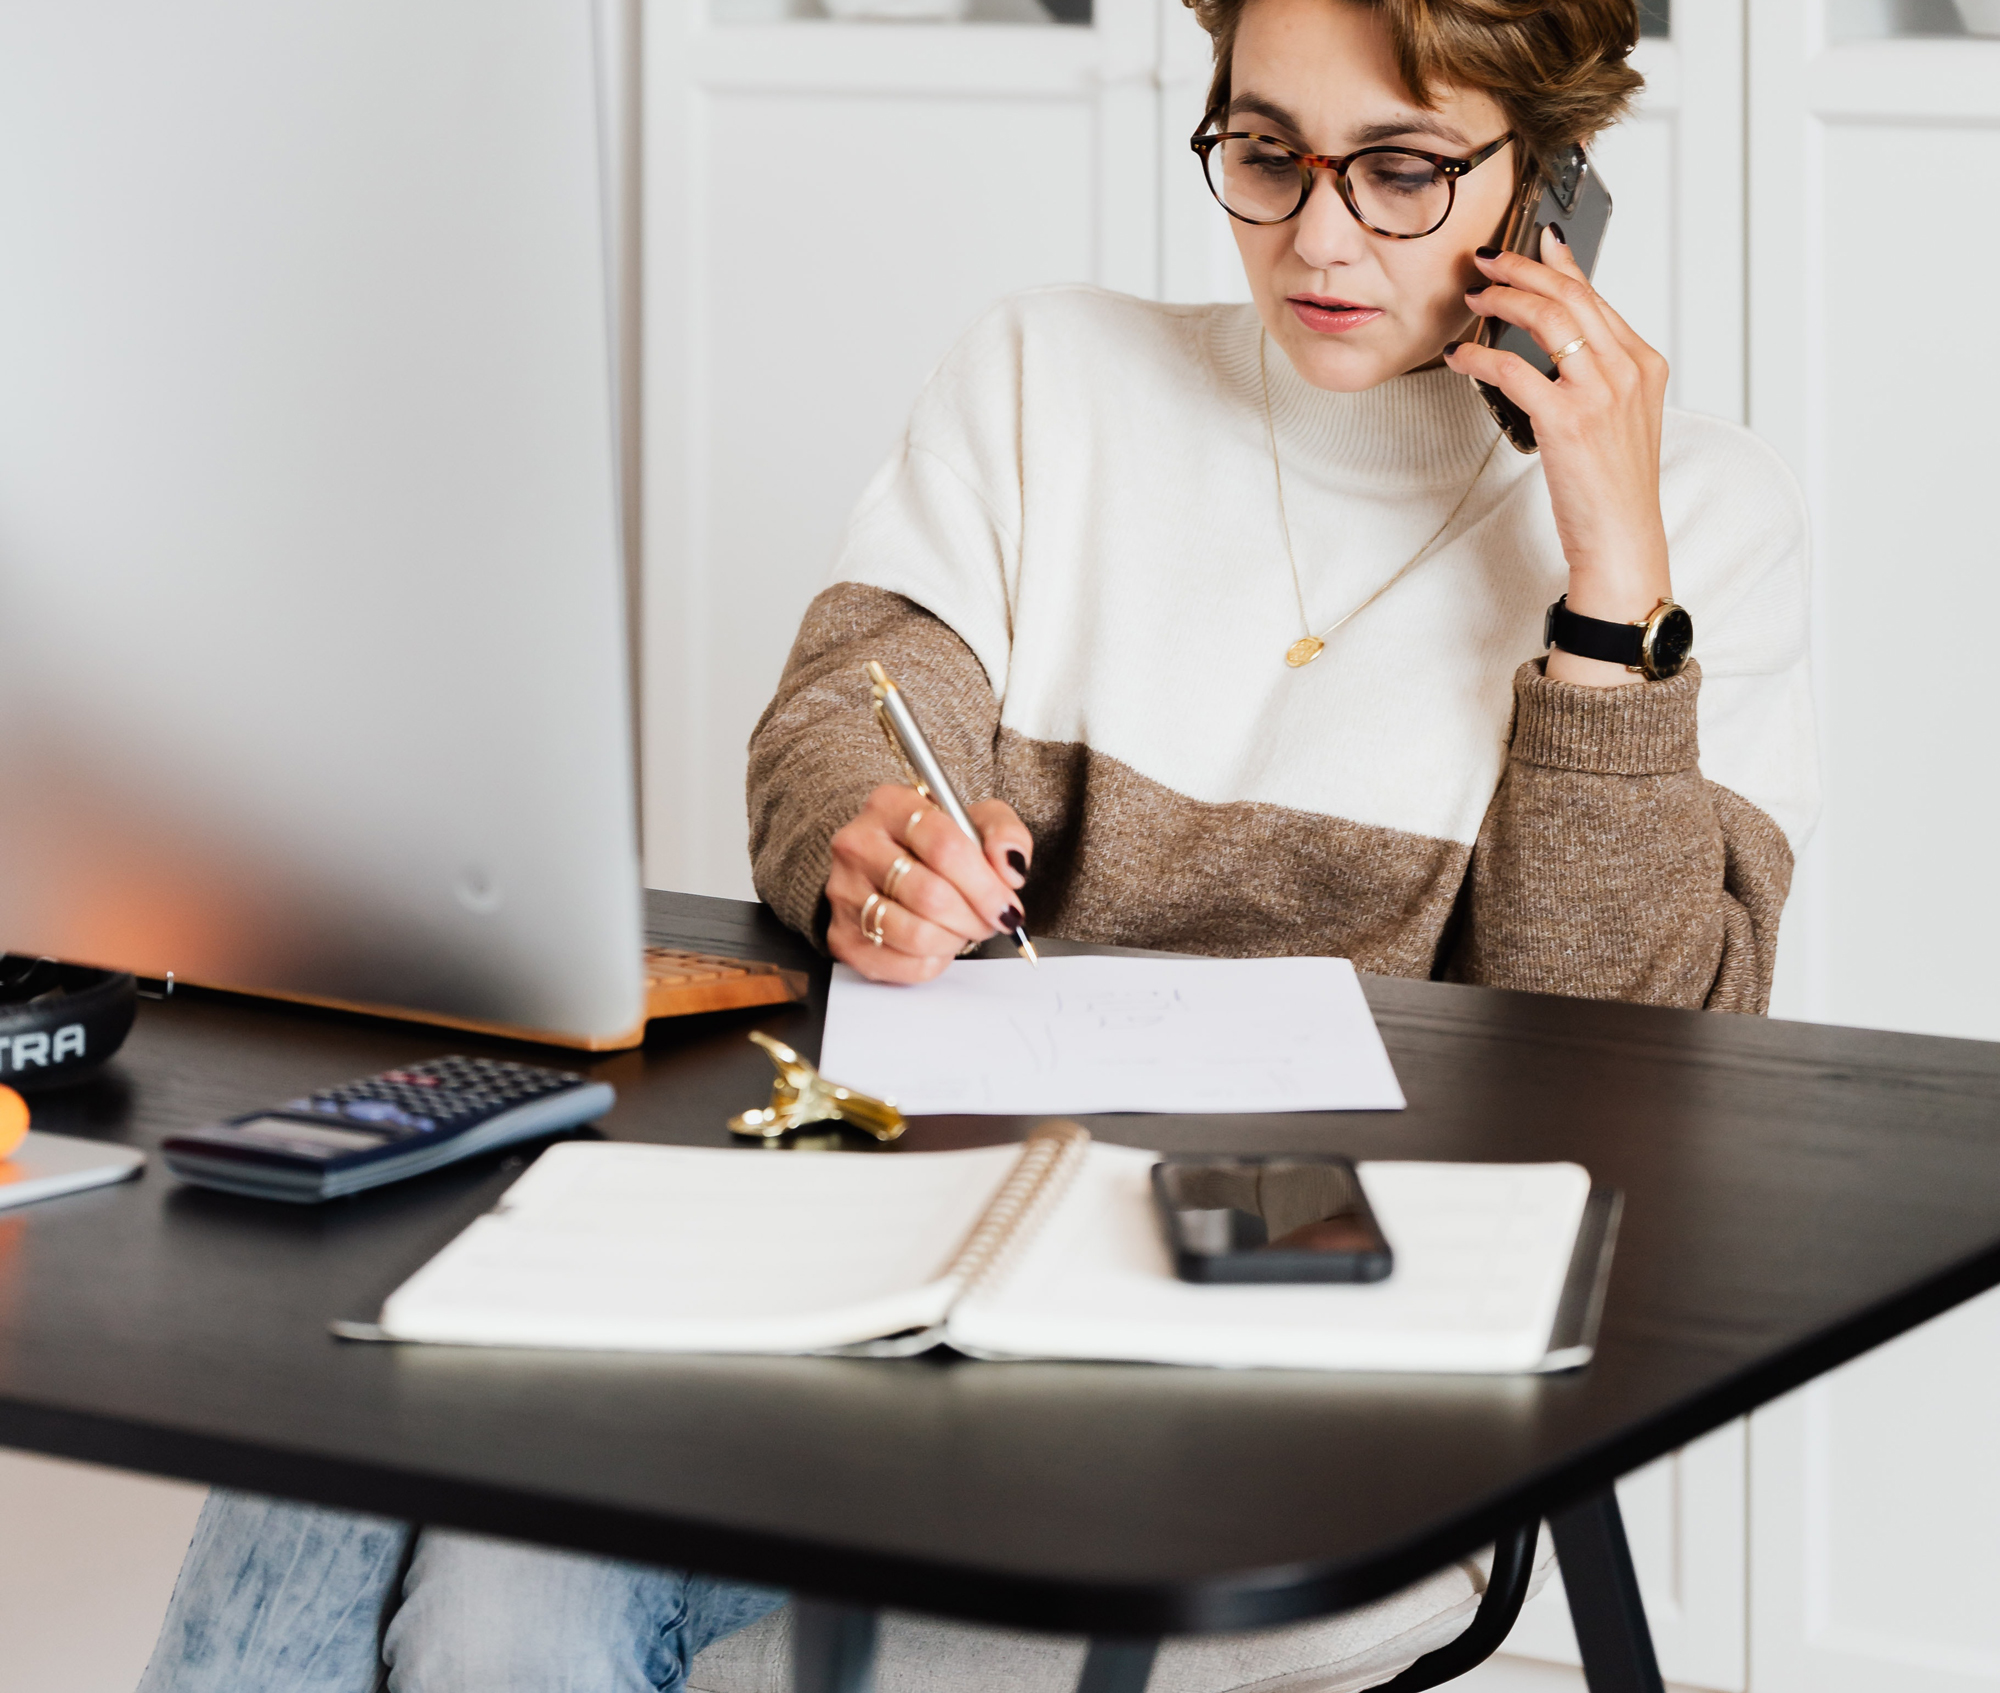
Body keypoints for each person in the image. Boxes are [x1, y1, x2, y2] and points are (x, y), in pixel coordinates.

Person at [139, 1, 1813, 1687]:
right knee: (437, 1451)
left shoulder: (1696, 529)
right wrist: (868, 836)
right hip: (896, 1278)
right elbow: (845, 714)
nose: (1314, 235)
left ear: (1552, 177)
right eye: (1263, 152)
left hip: (1313, 1383)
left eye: (1399, 170)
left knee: (470, 1519)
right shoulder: (1050, 377)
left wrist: (1609, 601)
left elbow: (1627, 1069)